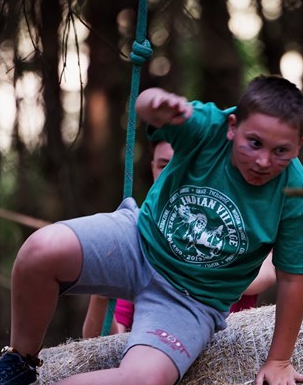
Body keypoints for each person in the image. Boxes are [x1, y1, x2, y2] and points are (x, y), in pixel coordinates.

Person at [0, 75, 303, 385]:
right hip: (137, 242)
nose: (264, 160)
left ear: (300, 145)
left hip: (191, 300)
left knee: (144, 383)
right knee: (41, 250)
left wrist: (279, 361)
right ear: (233, 126)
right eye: (254, 143)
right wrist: (154, 103)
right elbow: (147, 106)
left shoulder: (300, 201)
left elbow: (292, 281)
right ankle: (21, 361)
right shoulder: (209, 127)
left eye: (281, 151)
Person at [81, 140, 276, 338]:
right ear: (153, 168)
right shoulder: (140, 235)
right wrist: (101, 292)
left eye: (185, 163)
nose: (174, 173)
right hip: (152, 352)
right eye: (164, 166)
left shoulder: (241, 225)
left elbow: (265, 275)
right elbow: (102, 342)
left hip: (225, 348)